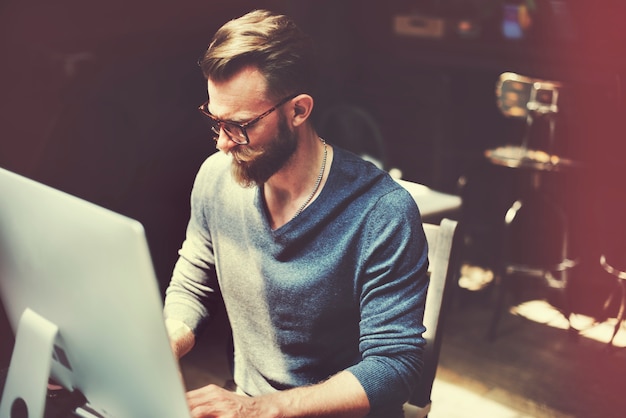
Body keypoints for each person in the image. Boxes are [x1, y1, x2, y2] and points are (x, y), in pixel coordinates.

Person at [163, 9, 429, 418]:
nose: (223, 144)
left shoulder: (382, 212)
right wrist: (166, 340)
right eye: (216, 122)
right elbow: (193, 282)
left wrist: (260, 409)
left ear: (299, 111)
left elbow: (395, 366)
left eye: (240, 125)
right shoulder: (215, 178)